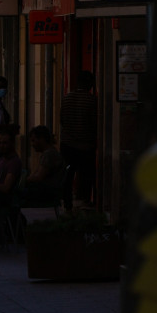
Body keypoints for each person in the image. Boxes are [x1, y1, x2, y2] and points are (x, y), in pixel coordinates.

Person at [59, 70, 97, 209]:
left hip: (67, 144)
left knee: (68, 174)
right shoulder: (92, 100)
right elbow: (94, 123)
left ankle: (67, 202)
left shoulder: (67, 98)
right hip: (86, 145)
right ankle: (85, 201)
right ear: (90, 84)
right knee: (87, 174)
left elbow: (62, 119)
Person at [24, 125, 66, 202]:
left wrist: (23, 180)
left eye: (34, 140)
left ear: (42, 139)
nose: (32, 144)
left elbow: (38, 177)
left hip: (48, 192)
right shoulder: (49, 153)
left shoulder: (49, 155)